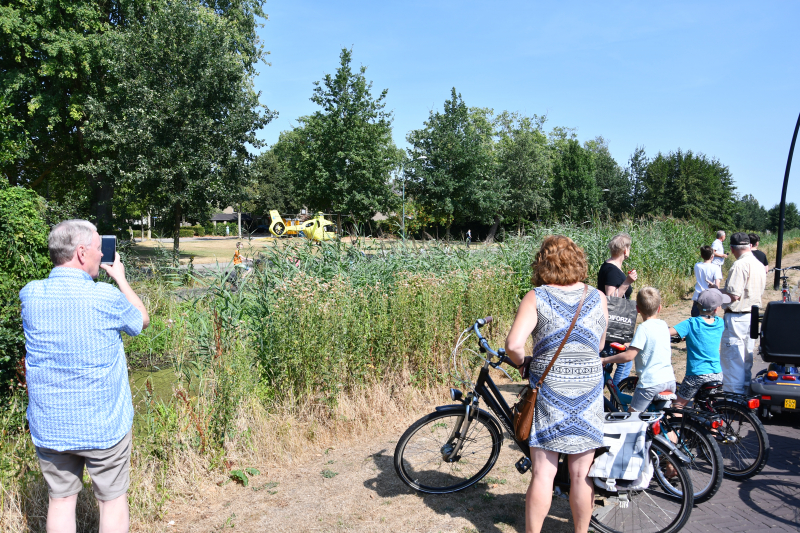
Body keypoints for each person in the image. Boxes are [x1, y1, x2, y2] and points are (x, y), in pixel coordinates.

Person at [20, 219, 150, 533]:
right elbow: (141, 320)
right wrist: (120, 279)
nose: (101, 254)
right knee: (111, 501)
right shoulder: (105, 297)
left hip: (51, 426)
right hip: (102, 425)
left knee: (61, 500)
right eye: (98, 248)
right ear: (81, 253)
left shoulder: (30, 295)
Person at [505, 235, 608, 533]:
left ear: (542, 263)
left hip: (551, 389)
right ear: (578, 260)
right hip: (588, 390)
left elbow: (513, 345)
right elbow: (599, 345)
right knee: (581, 474)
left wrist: (522, 362)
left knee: (543, 473)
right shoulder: (597, 297)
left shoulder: (537, 297)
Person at [601, 287, 676, 412]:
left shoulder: (643, 328)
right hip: (669, 380)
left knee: (632, 419)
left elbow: (629, 356)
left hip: (651, 383)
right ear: (659, 308)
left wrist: (605, 360)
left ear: (637, 309)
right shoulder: (663, 325)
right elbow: (652, 340)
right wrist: (631, 344)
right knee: (659, 417)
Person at [716, 232, 767, 394]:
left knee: (733, 359)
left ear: (732, 249)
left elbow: (734, 295)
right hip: (752, 316)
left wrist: (715, 295)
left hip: (737, 317)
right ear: (749, 246)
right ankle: (745, 393)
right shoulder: (759, 264)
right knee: (746, 357)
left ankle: (733, 397)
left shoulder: (739, 265)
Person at [669, 289, 729, 407]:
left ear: (697, 305)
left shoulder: (691, 323)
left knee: (678, 406)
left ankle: (678, 418)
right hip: (716, 373)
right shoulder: (720, 323)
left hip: (696, 374)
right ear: (716, 309)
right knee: (708, 406)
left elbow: (667, 333)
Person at [597, 232, 637, 387]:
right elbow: (611, 299)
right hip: (613, 325)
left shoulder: (612, 267)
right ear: (625, 249)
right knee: (622, 360)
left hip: (614, 323)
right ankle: (616, 394)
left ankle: (611, 393)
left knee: (612, 361)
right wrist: (627, 282)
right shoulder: (611, 270)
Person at [691, 245, 723, 317]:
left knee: (696, 318)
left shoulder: (697, 266)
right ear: (712, 256)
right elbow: (717, 285)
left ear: (701, 256)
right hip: (710, 297)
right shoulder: (716, 267)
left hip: (698, 296)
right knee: (709, 319)